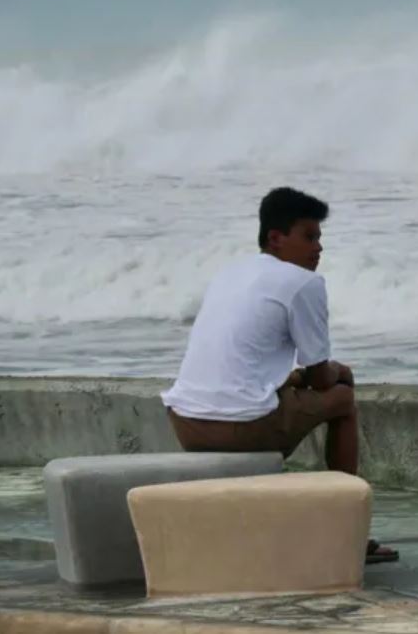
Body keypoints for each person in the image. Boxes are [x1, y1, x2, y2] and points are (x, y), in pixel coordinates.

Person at [161, 186, 397, 564]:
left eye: (319, 238)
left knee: (296, 392)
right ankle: (346, 529)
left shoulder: (230, 274)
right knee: (343, 399)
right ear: (275, 238)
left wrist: (296, 379)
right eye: (309, 237)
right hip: (239, 427)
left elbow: (246, 363)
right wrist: (341, 371)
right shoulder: (304, 282)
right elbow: (321, 378)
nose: (318, 248)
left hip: (186, 423)